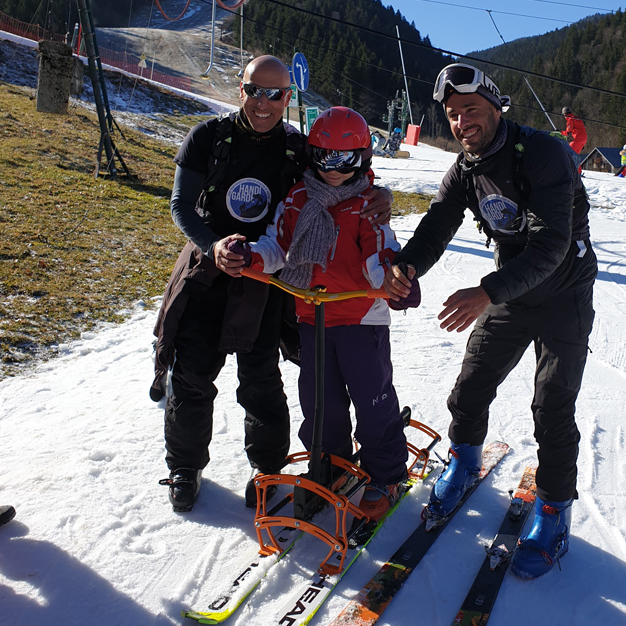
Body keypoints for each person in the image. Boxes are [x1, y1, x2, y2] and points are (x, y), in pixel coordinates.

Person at [384, 64, 597, 579]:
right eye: (453, 114)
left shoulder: (543, 153)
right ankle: (463, 460)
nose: (461, 122)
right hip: (512, 289)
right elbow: (437, 225)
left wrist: (487, 292)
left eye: (471, 110)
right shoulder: (464, 170)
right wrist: (406, 268)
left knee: (551, 406)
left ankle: (552, 511)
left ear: (497, 107)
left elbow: (550, 246)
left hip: (563, 292)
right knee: (473, 380)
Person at [152, 56, 391, 513]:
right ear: (240, 90)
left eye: (276, 94)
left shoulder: (297, 147)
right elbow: (181, 205)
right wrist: (213, 244)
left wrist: (380, 193)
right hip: (207, 270)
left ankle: (268, 467)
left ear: (288, 97)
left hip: (263, 277)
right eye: (255, 91)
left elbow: (342, 176)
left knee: (260, 377)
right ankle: (184, 467)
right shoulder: (208, 136)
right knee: (192, 375)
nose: (264, 102)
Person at [246, 107, 410, 521]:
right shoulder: (298, 198)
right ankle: (331, 462)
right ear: (311, 155)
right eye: (323, 158)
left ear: (362, 158)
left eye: (345, 160)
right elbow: (276, 245)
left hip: (359, 319)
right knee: (320, 401)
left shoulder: (366, 205)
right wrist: (251, 257)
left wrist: (390, 279)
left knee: (372, 398)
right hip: (311, 316)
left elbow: (380, 251)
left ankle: (387, 473)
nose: (333, 169)